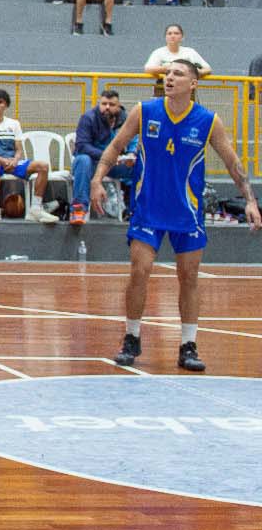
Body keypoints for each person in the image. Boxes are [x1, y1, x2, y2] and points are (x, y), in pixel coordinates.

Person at [93, 59, 259, 371]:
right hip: (148, 207)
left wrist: (250, 200)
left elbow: (233, 162)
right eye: (167, 73)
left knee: (189, 277)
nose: (170, 77)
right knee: (139, 270)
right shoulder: (145, 111)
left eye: (178, 74)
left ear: (193, 83)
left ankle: (188, 345)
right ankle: (131, 337)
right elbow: (115, 146)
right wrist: (97, 179)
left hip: (187, 212)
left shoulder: (208, 121)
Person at [0, 88, 57, 223]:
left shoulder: (14, 124)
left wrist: (16, 159)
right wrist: (0, 160)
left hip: (12, 162)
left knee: (43, 166)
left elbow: (18, 149)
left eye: (0, 102)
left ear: (6, 105)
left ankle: (35, 209)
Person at [68, 90, 136, 226]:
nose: (107, 107)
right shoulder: (88, 118)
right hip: (92, 163)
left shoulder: (127, 120)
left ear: (119, 106)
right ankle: (79, 209)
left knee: (140, 166)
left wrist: (132, 155)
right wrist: (107, 155)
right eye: (104, 103)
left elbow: (134, 140)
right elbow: (82, 145)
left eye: (111, 104)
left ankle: (134, 209)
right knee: (83, 160)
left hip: (115, 164)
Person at [143, 23, 211, 79]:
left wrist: (199, 72)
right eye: (169, 33)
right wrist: (168, 68)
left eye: (176, 33)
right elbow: (148, 69)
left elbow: (208, 69)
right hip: (163, 88)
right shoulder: (158, 52)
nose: (172, 36)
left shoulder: (190, 52)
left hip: (186, 89)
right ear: (165, 37)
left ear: (182, 37)